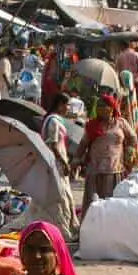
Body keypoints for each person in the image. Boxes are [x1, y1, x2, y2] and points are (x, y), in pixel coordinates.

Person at [75, 95, 138, 221]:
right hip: (95, 170)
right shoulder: (92, 125)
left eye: (105, 106)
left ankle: (111, 228)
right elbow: (83, 144)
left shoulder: (121, 123)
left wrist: (130, 152)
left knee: (112, 202)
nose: (102, 109)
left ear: (112, 108)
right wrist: (76, 159)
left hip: (115, 169)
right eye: (99, 106)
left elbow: (132, 138)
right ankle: (91, 227)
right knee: (94, 203)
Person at [35, 92, 80, 241]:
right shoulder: (53, 121)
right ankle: (64, 231)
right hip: (55, 164)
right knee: (61, 198)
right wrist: (64, 162)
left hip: (57, 163)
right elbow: (53, 145)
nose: (68, 108)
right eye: (67, 105)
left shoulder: (54, 120)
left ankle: (69, 228)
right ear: (60, 105)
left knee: (65, 196)